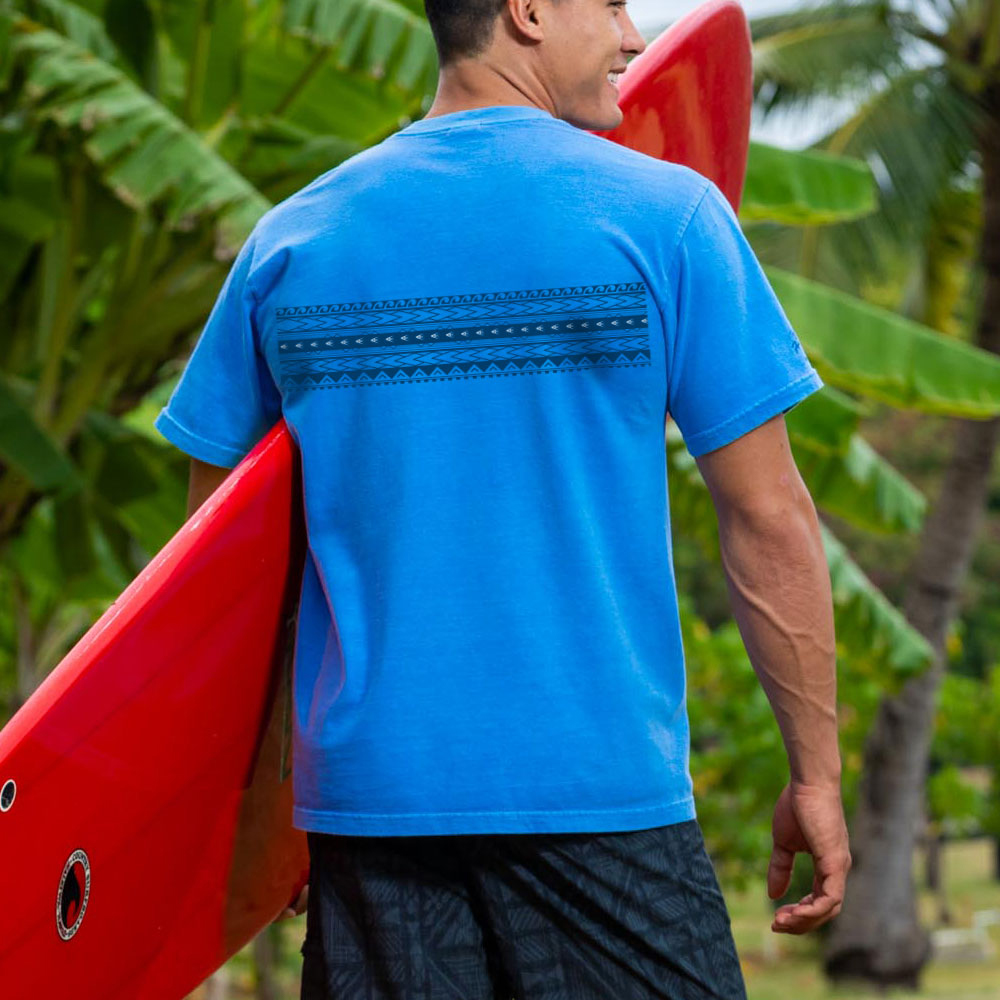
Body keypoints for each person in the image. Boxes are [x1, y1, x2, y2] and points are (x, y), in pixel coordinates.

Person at [157, 0, 852, 996]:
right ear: (526, 10)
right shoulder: (667, 218)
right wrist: (816, 776)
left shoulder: (292, 242)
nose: (633, 35)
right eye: (611, 3)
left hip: (369, 815)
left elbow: (219, 576)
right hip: (601, 799)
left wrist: (266, 824)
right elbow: (767, 515)